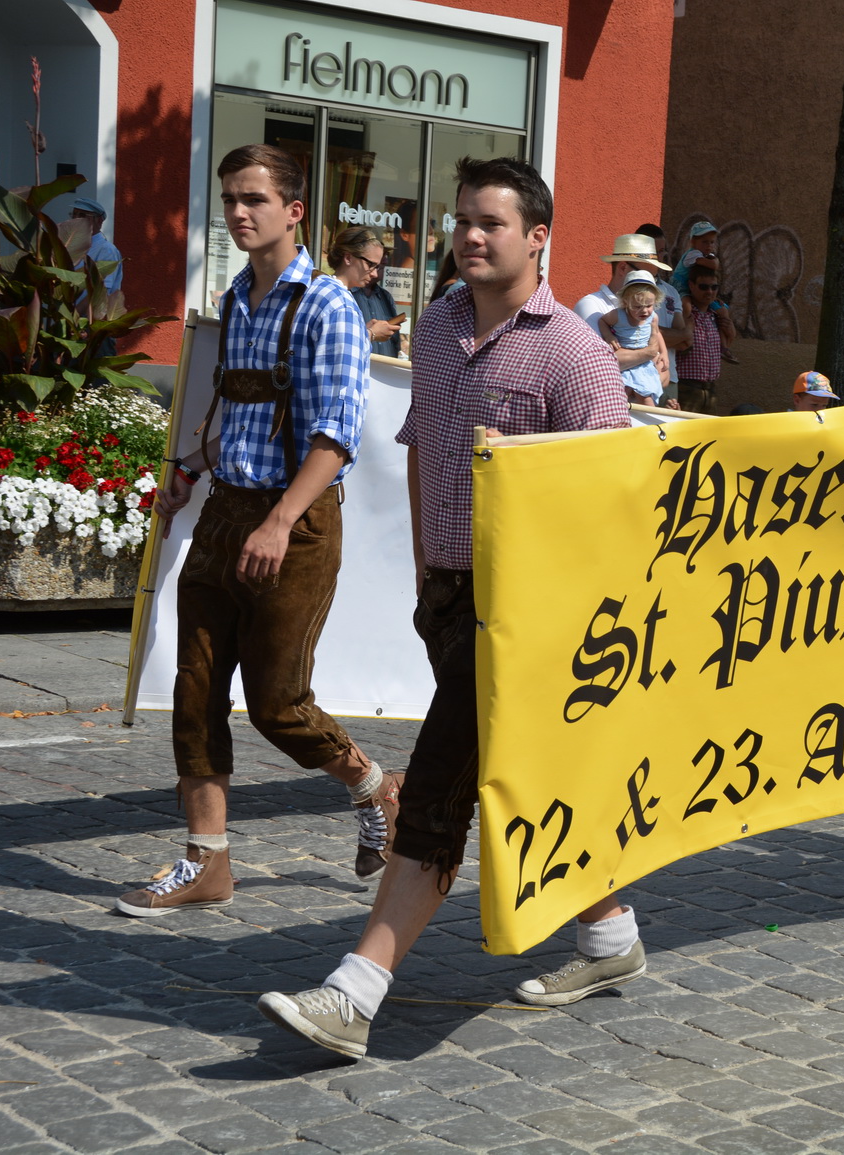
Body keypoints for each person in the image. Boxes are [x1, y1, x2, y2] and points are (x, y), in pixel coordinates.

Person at [257, 156, 645, 1061]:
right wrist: (432, 579)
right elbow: (424, 448)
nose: (471, 236)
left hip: (534, 616)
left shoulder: (576, 352)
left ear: (538, 236)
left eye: (492, 223)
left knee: (436, 785)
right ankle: (610, 932)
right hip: (453, 600)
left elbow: (613, 502)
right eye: (463, 220)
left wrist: (535, 490)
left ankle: (356, 991)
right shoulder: (434, 330)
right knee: (530, 772)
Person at [116, 144, 389, 917]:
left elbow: (336, 436)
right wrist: (188, 470)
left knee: (279, 704)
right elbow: (235, 410)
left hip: (293, 523)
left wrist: (277, 521)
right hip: (226, 510)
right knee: (195, 689)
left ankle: (374, 787)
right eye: (231, 198)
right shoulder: (237, 297)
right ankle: (207, 859)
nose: (238, 212)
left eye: (255, 200)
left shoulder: (330, 305)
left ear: (295, 211)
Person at [573, 233, 673, 386]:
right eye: (647, 274)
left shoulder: (645, 307)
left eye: (654, 278)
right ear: (623, 267)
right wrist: (649, 354)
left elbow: (665, 375)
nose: (653, 284)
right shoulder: (591, 306)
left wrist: (648, 382)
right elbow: (599, 363)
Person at [329, 226, 405, 358]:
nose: (375, 273)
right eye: (371, 265)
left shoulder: (341, 295)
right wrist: (371, 333)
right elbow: (334, 349)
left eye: (378, 267)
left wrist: (364, 331)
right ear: (348, 258)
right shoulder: (333, 295)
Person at [597, 269, 668, 406]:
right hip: (627, 362)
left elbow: (657, 333)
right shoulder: (618, 315)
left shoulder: (653, 318)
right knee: (623, 394)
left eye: (649, 305)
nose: (644, 311)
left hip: (644, 364)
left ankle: (650, 424)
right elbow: (602, 321)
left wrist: (664, 353)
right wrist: (609, 336)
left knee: (646, 397)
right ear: (626, 302)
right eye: (637, 306)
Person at [635, 223, 687, 407]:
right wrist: (670, 335)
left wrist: (653, 332)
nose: (660, 257)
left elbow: (685, 339)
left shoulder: (671, 292)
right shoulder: (631, 292)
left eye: (662, 250)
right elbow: (635, 331)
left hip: (670, 378)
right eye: (654, 252)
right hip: (638, 380)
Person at [675, 263, 735, 412]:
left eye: (714, 287)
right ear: (691, 285)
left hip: (710, 389)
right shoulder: (685, 314)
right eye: (703, 287)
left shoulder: (716, 316)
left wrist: (728, 328)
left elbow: (727, 343)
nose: (709, 291)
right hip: (686, 388)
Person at [70, 195, 124, 294]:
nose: (76, 219)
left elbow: (100, 294)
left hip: (88, 309)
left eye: (82, 215)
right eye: (73, 215)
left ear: (99, 220)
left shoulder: (106, 250)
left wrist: (76, 310)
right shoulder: (70, 246)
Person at [670, 220, 719, 293]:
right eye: (705, 242)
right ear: (693, 242)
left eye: (712, 242)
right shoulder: (693, 254)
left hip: (689, 286)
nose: (709, 245)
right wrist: (715, 260)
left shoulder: (704, 255)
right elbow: (714, 265)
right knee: (686, 301)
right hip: (678, 286)